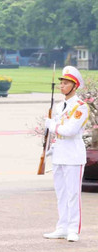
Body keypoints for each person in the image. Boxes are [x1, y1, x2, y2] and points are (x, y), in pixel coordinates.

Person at [44, 66, 90, 242]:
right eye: (61, 83)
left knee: (73, 193)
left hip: (73, 155)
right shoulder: (58, 106)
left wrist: (52, 125)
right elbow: (57, 131)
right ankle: (62, 227)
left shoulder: (80, 107)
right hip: (59, 153)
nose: (62, 86)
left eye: (66, 83)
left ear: (74, 86)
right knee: (61, 193)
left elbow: (70, 130)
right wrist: (50, 146)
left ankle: (73, 229)